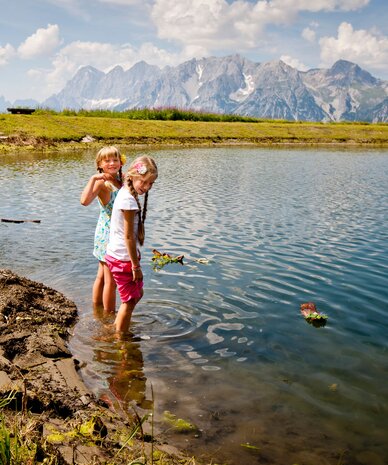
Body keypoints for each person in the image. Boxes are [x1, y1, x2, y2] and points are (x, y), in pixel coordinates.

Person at [105, 155, 158, 334]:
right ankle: (121, 340)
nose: (147, 187)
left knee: (136, 295)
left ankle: (116, 327)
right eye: (144, 182)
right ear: (133, 176)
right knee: (129, 301)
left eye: (151, 184)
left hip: (119, 255)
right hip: (123, 258)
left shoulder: (125, 190)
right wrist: (135, 266)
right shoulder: (128, 199)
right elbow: (128, 236)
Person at [80, 146, 125, 313]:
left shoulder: (122, 179)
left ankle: (96, 310)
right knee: (110, 280)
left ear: (121, 162)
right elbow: (84, 201)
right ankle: (108, 316)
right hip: (108, 234)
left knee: (102, 274)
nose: (112, 163)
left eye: (115, 159)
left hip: (115, 232)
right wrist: (93, 178)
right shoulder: (101, 182)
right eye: (107, 161)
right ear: (100, 164)